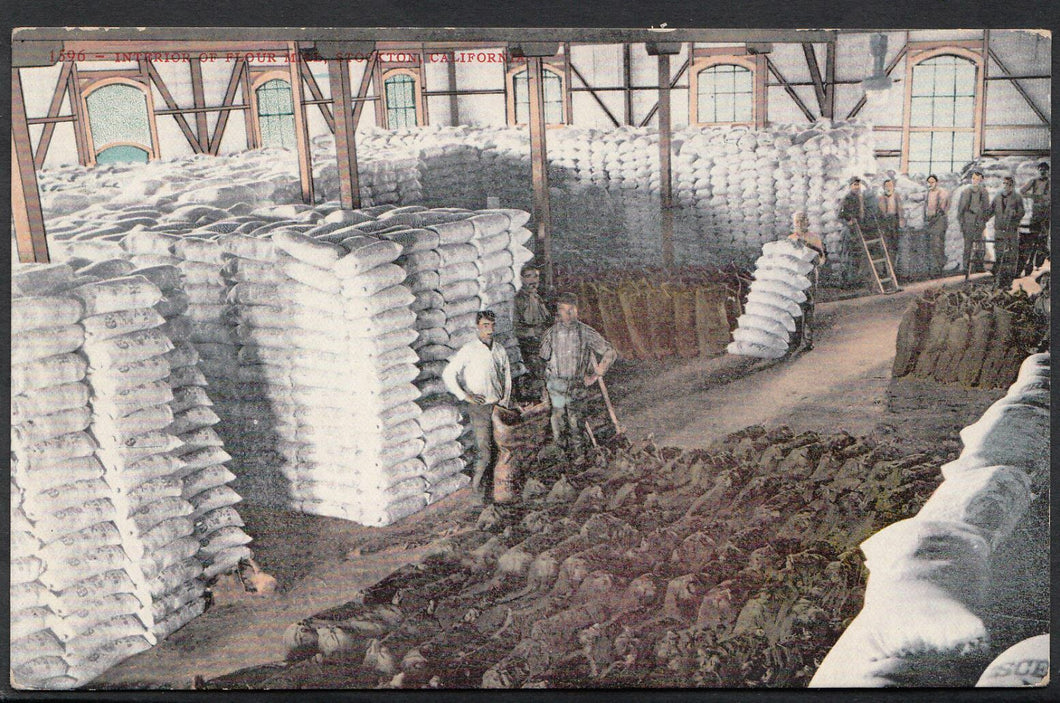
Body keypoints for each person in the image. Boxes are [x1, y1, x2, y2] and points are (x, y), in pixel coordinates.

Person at [442, 310, 512, 500]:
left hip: (497, 407)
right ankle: (478, 497)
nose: (490, 330)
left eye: (492, 325)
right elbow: (449, 374)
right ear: (477, 328)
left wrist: (504, 403)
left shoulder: (499, 350)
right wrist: (465, 396)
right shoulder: (469, 349)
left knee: (500, 450)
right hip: (479, 409)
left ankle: (498, 493)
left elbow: (507, 378)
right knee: (485, 452)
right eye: (485, 326)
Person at [539, 292, 617, 459]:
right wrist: (546, 384)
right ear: (558, 312)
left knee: (576, 427)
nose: (567, 315)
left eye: (571, 311)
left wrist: (597, 373)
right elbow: (543, 357)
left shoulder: (585, 332)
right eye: (562, 310)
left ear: (577, 310)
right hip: (557, 386)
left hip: (576, 385)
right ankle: (563, 462)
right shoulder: (551, 333)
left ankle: (580, 461)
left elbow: (610, 352)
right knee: (558, 424)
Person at [787, 211, 827, 353]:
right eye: (797, 221)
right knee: (795, 309)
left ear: (807, 222)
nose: (800, 223)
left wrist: (815, 261)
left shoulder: (814, 239)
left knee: (809, 308)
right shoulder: (790, 239)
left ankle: (808, 340)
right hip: (795, 278)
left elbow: (822, 258)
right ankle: (795, 341)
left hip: (809, 277)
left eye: (802, 220)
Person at [513, 266, 551, 401]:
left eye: (536, 276)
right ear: (522, 279)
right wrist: (533, 332)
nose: (533, 280)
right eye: (529, 276)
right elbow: (516, 328)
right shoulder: (519, 300)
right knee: (539, 376)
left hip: (542, 342)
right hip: (529, 345)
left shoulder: (537, 298)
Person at [989, 176, 1025, 290]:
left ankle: (1008, 282)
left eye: (1009, 184)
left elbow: (1022, 212)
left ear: (1012, 186)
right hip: (999, 230)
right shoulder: (997, 197)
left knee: (1011, 256)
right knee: (999, 255)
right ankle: (998, 280)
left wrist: (1016, 214)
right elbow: (990, 211)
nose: (1006, 186)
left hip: (1011, 231)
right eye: (1004, 184)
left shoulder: (1017, 197)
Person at [957, 170, 991, 280]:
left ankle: (979, 265)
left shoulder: (984, 192)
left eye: (978, 179)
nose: (975, 181)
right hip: (969, 220)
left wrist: (984, 220)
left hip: (980, 221)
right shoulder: (966, 192)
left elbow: (987, 208)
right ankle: (966, 267)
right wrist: (962, 222)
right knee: (968, 245)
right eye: (973, 179)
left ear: (981, 180)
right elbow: (961, 209)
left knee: (980, 243)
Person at [1019, 162, 1050, 276]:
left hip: (1047, 214)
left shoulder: (1051, 183)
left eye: (1045, 170)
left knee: (1043, 239)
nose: (1043, 171)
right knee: (1032, 238)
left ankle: (1039, 263)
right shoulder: (1034, 181)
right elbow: (1022, 191)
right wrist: (1032, 197)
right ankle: (1029, 264)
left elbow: (1049, 196)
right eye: (1041, 169)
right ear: (1038, 170)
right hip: (1036, 213)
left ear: (1048, 171)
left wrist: (1042, 198)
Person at [923, 174, 951, 277]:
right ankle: (933, 268)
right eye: (928, 182)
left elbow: (941, 209)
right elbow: (925, 207)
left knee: (937, 244)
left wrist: (932, 220)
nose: (930, 184)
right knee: (931, 245)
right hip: (930, 221)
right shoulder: (928, 193)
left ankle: (939, 268)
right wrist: (925, 219)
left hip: (939, 221)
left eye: (932, 182)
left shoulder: (941, 192)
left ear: (936, 182)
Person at [876, 178, 905, 267]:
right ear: (883, 187)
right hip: (885, 222)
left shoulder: (896, 196)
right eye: (886, 186)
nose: (888, 188)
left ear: (893, 187)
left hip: (894, 221)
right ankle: (886, 267)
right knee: (886, 245)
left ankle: (894, 265)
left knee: (895, 244)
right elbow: (879, 213)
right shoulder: (880, 198)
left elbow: (900, 209)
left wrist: (901, 220)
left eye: (890, 186)